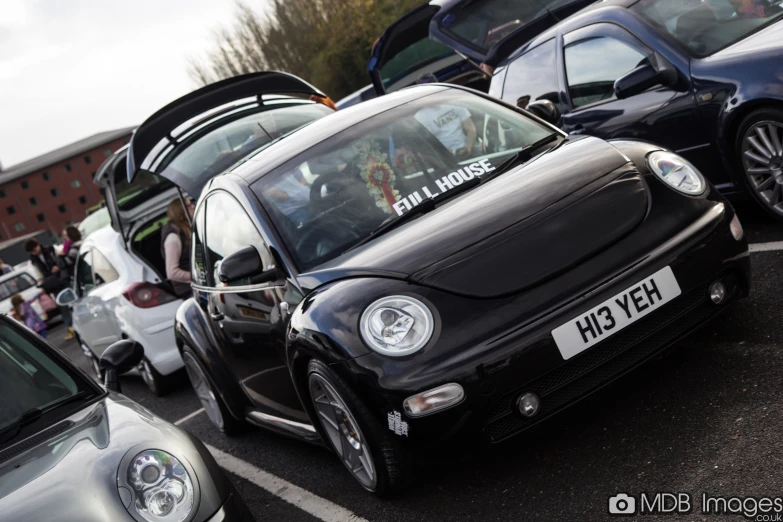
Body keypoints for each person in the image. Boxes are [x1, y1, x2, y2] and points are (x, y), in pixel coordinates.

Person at [414, 75, 478, 158]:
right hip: (445, 157)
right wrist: (453, 153)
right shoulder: (420, 117)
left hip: (470, 148)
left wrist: (469, 147)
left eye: (433, 89)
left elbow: (470, 128)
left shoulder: (454, 102)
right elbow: (429, 145)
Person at [25, 238, 73, 340]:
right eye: (32, 252)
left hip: (63, 278)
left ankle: (75, 325)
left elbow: (62, 258)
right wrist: (41, 282)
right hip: (52, 284)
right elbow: (38, 273)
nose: (34, 252)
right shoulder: (34, 260)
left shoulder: (51, 249)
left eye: (34, 249)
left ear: (38, 245)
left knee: (73, 301)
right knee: (62, 306)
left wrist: (58, 266)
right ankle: (70, 328)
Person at [161, 198, 194, 294]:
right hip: (190, 290)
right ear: (180, 212)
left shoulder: (189, 228)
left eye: (192, 203)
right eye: (188, 206)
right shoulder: (173, 237)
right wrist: (198, 277)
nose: (193, 206)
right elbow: (172, 272)